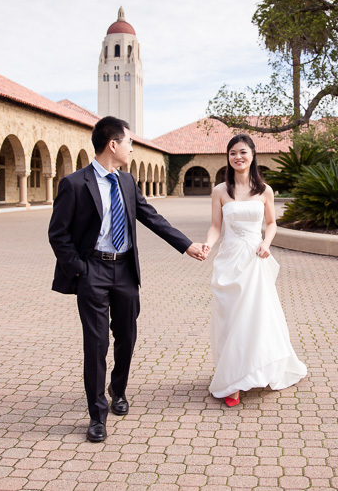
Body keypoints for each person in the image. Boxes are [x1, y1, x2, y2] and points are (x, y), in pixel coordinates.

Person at [48, 116, 206, 443]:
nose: (133, 147)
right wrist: (79, 269)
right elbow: (58, 234)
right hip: (93, 270)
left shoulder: (128, 182)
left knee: (126, 337)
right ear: (113, 144)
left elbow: (153, 218)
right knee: (96, 344)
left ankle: (117, 389)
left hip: (125, 271)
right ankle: (97, 414)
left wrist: (187, 245)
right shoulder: (75, 183)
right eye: (130, 142)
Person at [201, 134, 307, 407]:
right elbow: (215, 227)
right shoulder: (220, 191)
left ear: (252, 155)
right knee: (231, 317)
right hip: (229, 259)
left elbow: (271, 223)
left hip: (254, 258)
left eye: (243, 152)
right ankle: (233, 374)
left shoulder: (265, 191)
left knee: (254, 316)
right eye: (233, 152)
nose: (238, 157)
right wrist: (207, 246)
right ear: (228, 157)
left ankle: (245, 377)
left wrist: (266, 243)